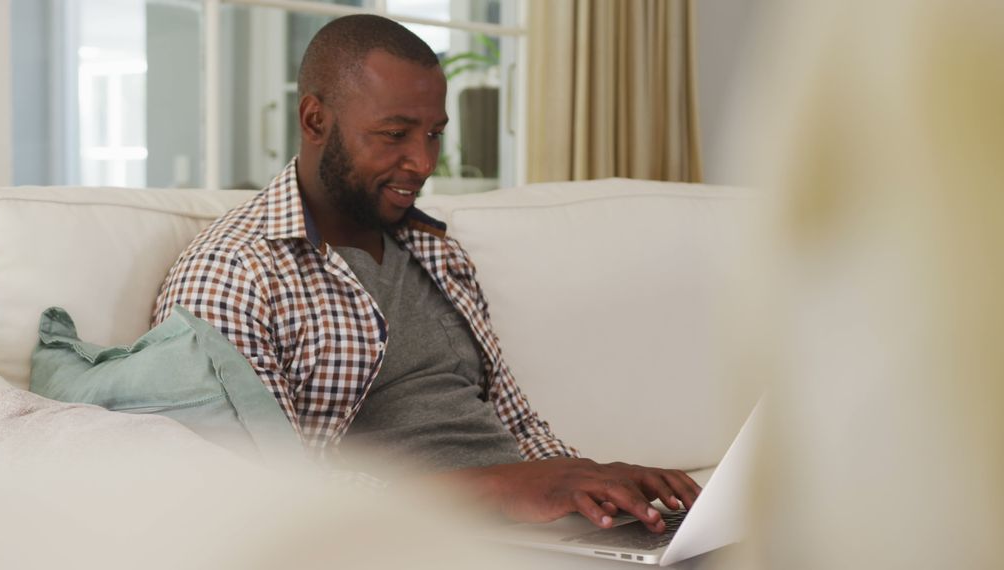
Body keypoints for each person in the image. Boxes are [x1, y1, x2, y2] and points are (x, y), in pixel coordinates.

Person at [154, 14, 699, 532]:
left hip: (531, 534)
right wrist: (504, 490)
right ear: (315, 119)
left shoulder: (437, 253)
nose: (422, 161)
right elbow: (263, 492)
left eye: (434, 134)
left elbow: (517, 426)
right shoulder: (232, 272)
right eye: (395, 134)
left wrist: (596, 487)